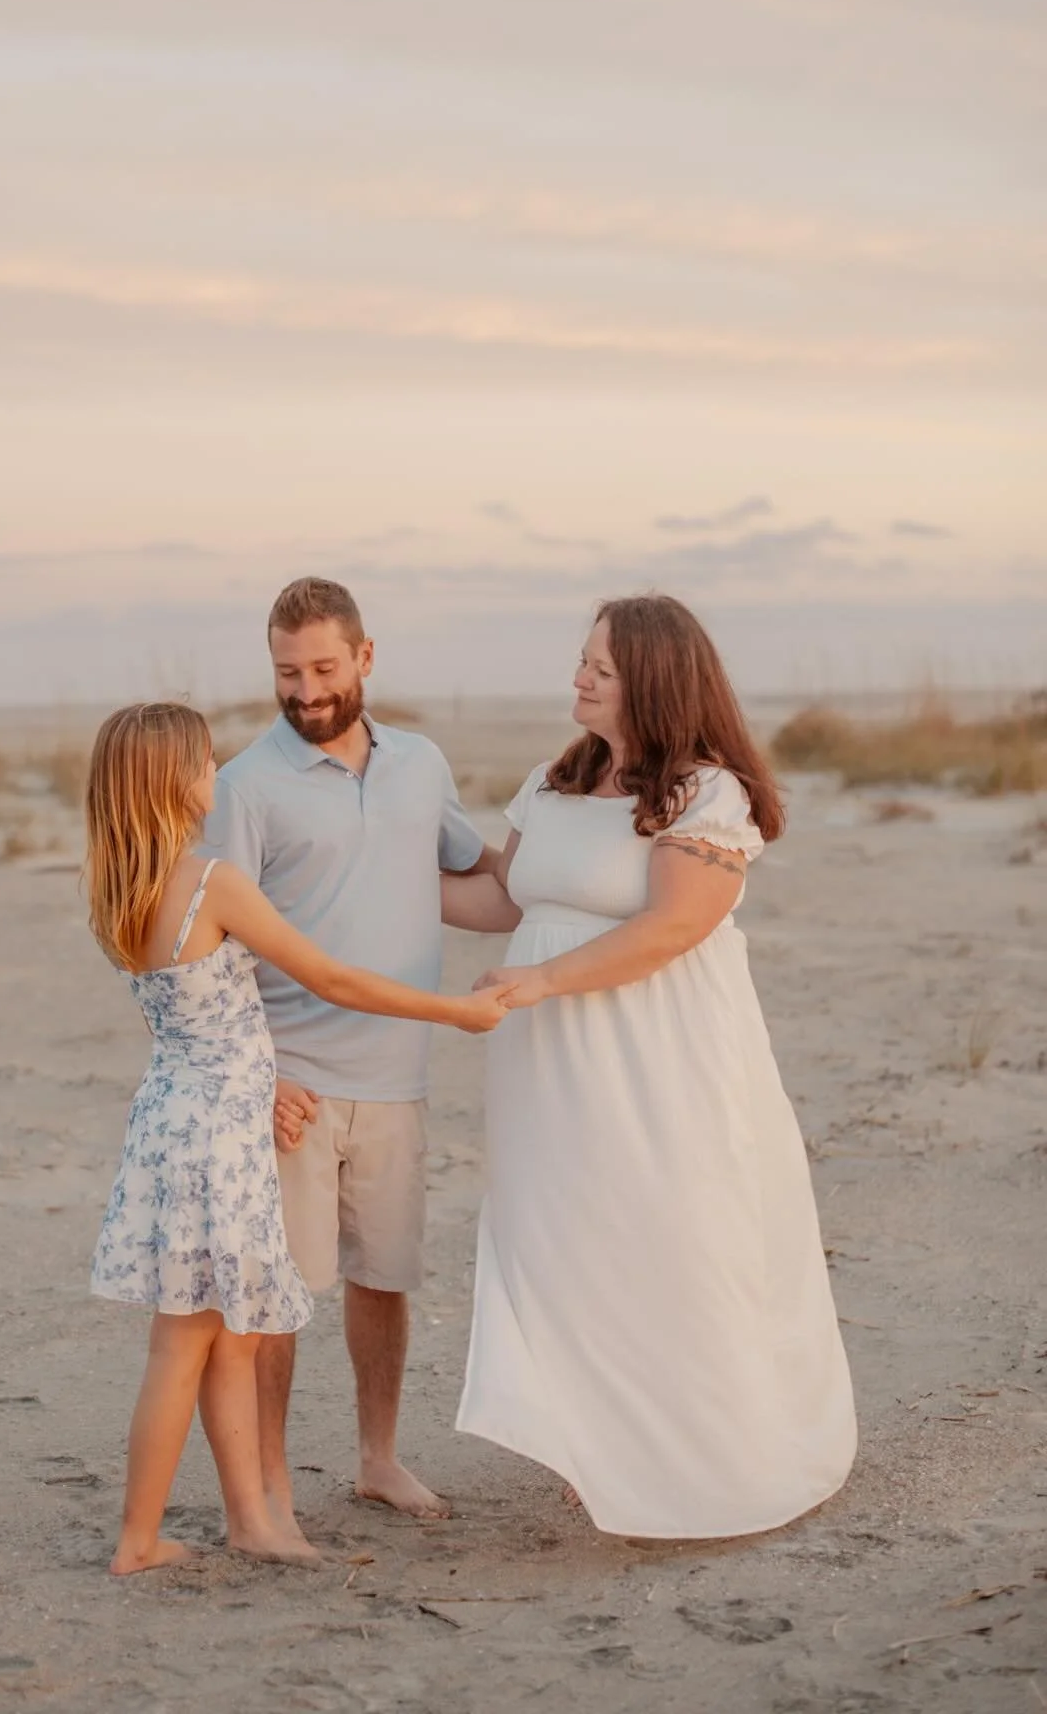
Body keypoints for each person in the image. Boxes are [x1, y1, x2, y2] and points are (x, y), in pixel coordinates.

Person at [444, 594, 857, 1539]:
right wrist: (353, 871)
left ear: (655, 682)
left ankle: (713, 1451)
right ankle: (600, 1443)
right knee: (565, 1236)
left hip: (656, 1051)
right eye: (582, 659)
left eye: (602, 667)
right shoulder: (554, 781)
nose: (579, 677)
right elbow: (503, 898)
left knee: (669, 1230)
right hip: (545, 1060)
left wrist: (542, 980)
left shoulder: (709, 794)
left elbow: (672, 928)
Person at [86, 700, 508, 1576]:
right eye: (203, 763)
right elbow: (328, 975)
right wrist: (454, 1012)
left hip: (178, 1117)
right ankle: (139, 1539)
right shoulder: (211, 883)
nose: (216, 776)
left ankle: (251, 1519)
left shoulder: (123, 885)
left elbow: (200, 1018)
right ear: (174, 781)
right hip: (217, 1135)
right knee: (187, 1344)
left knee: (225, 1336)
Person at [201, 577, 503, 1529]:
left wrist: (586, 864)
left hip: (397, 1079)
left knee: (385, 1277)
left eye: (325, 668)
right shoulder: (245, 786)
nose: (307, 691)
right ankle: (277, 1485)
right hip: (290, 1083)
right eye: (288, 672)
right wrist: (264, 1077)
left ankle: (378, 1458)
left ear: (366, 658)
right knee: (282, 1297)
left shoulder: (421, 764)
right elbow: (215, 949)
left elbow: (475, 878)